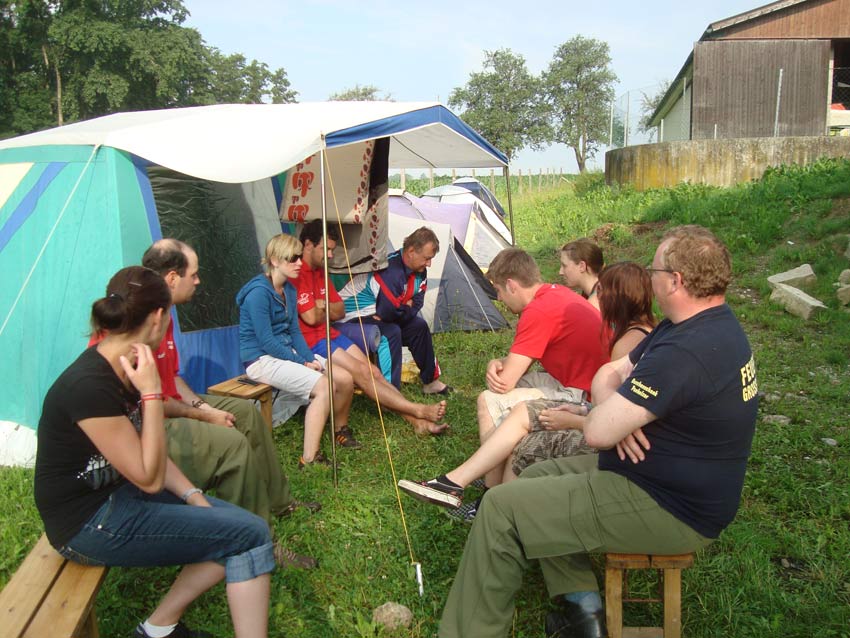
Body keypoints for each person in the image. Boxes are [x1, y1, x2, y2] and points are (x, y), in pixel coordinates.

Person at [437, 225, 759, 638]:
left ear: (676, 281)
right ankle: (583, 610)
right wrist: (617, 413)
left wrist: (613, 418)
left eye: (654, 270)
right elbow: (609, 373)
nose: (650, 277)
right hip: (654, 476)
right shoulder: (693, 325)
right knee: (534, 477)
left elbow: (598, 432)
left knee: (501, 508)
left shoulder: (687, 350)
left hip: (670, 505)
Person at [35, 266, 273, 638]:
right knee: (248, 536)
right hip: (86, 524)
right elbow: (148, 478)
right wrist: (150, 394)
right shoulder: (89, 385)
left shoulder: (125, 364)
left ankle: (158, 628)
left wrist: (193, 496)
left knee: (244, 528)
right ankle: (159, 628)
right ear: (159, 317)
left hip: (119, 494)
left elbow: (149, 456)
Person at [399, 261, 656, 517]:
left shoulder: (624, 341)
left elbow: (613, 415)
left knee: (502, 411)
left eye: (601, 292)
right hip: (581, 397)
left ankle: (484, 495)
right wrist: (498, 362)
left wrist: (574, 418)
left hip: (582, 398)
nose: (595, 300)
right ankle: (472, 479)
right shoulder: (565, 300)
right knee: (506, 407)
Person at [140, 239, 318, 569]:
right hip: (149, 425)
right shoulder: (140, 320)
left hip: (172, 404)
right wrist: (203, 414)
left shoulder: (163, 314)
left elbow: (172, 379)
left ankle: (280, 501)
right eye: (194, 274)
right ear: (172, 278)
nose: (199, 281)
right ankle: (256, 542)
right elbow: (149, 402)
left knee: (246, 414)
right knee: (231, 444)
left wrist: (202, 406)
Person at [293, 220, 448, 436]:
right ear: (308, 245)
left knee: (374, 371)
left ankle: (417, 418)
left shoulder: (320, 272)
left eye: (332, 250)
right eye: (326, 249)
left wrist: (322, 305)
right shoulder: (297, 273)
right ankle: (417, 412)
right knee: (365, 369)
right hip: (315, 339)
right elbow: (311, 318)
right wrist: (326, 307)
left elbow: (338, 310)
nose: (330, 255)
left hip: (330, 332)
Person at [472, 247, 608, 491]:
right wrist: (498, 361)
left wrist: (499, 368)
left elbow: (505, 382)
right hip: (587, 382)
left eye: (499, 290)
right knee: (508, 394)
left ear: (512, 285)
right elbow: (521, 363)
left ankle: (490, 491)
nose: (499, 299)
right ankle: (500, 466)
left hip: (581, 395)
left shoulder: (538, 311)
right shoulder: (555, 293)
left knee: (489, 400)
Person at [237, 233, 354, 467]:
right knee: (324, 386)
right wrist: (302, 362)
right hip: (260, 359)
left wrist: (309, 358)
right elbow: (266, 341)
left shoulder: (289, 290)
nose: (299, 263)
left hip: (284, 352)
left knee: (344, 379)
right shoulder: (258, 294)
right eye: (292, 258)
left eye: (300, 257)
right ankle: (309, 458)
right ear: (274, 261)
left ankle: (339, 431)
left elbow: (295, 332)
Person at [335, 226, 450, 394]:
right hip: (350, 318)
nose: (429, 264)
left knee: (419, 326)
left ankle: (431, 382)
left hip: (377, 315)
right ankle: (390, 394)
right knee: (390, 332)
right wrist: (403, 307)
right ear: (411, 251)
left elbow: (416, 303)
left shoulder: (420, 272)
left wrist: (399, 309)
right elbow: (389, 311)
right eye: (426, 258)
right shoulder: (390, 269)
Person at [559, 238, 604, 311]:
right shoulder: (603, 288)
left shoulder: (595, 304)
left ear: (582, 266)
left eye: (564, 266)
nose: (560, 272)